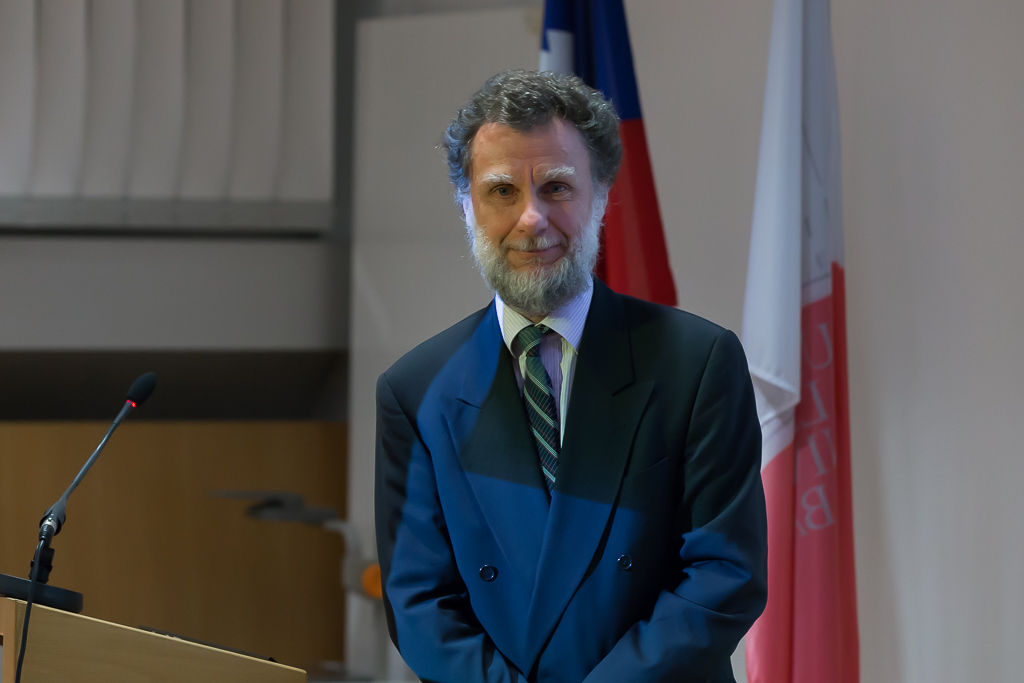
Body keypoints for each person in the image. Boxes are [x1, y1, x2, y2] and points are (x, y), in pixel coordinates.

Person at [374, 70, 767, 683]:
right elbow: (419, 602)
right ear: (466, 205)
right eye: (501, 191)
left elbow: (725, 574)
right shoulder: (415, 390)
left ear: (602, 194)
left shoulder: (698, 362)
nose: (531, 218)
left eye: (556, 186)